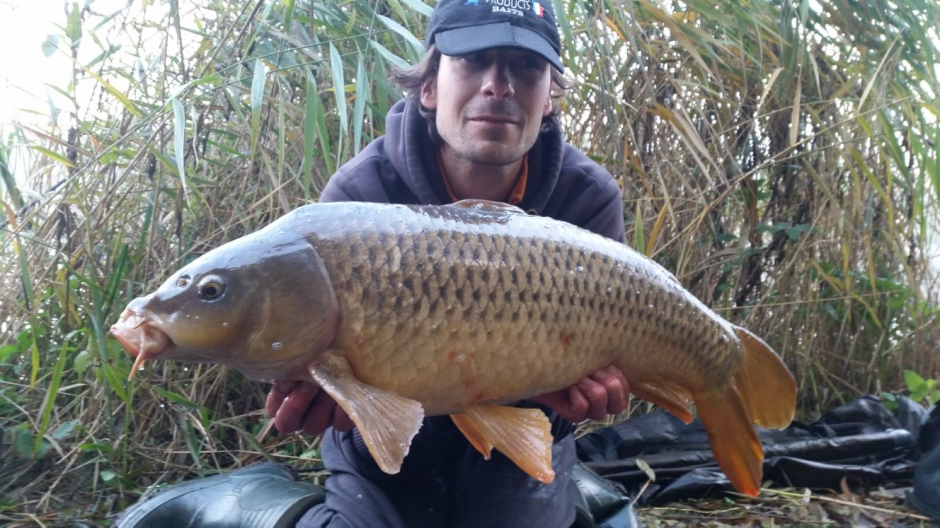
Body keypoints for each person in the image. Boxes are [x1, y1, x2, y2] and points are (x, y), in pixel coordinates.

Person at [115, 0, 636, 526]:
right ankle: (269, 500)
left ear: (550, 96)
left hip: (520, 420)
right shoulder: (355, 200)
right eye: (474, 60)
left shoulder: (585, 198)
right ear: (429, 85)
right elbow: (294, 346)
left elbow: (597, 377)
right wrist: (318, 396)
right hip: (378, 436)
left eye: (525, 67)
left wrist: (582, 393)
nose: (498, 85)